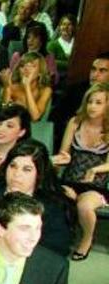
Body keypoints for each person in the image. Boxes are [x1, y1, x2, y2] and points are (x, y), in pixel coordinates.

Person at [0, 139, 74, 256]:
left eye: (27, 169)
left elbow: (58, 249)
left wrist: (8, 242)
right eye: (13, 166)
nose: (16, 174)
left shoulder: (54, 205)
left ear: (39, 175)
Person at [54, 82, 109, 261]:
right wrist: (61, 159)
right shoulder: (75, 122)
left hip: (96, 185)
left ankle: (86, 239)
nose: (92, 106)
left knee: (84, 205)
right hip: (71, 179)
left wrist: (95, 169)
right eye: (90, 101)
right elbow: (65, 152)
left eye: (98, 102)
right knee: (60, 198)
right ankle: (60, 239)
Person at [0, 51, 52, 122]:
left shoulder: (45, 90)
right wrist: (7, 87)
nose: (26, 69)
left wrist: (27, 86)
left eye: (32, 66)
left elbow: (35, 117)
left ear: (40, 72)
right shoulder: (11, 87)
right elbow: (4, 113)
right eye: (23, 65)